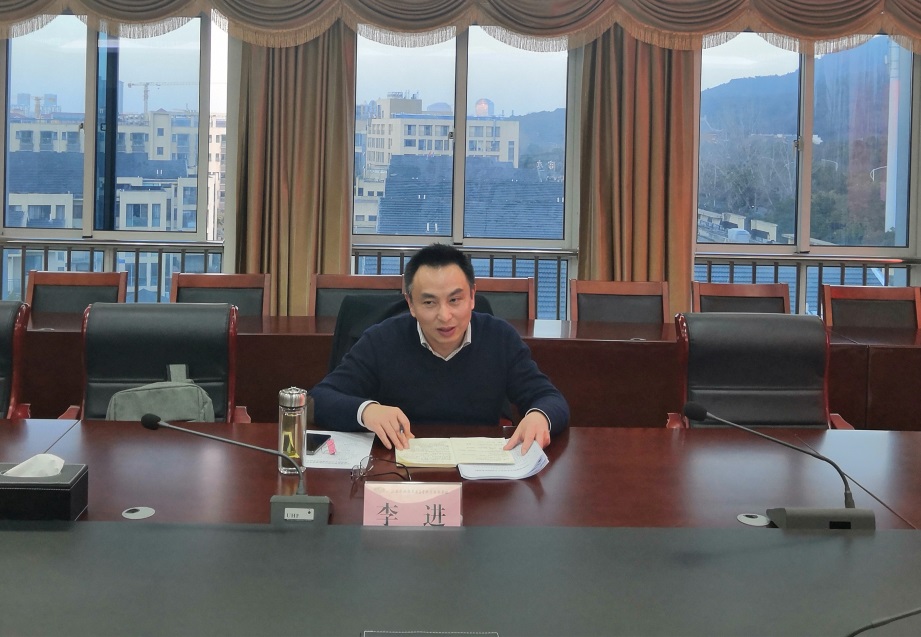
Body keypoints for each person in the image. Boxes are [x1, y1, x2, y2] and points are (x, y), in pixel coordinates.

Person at [310, 243, 569, 453]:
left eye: (455, 300)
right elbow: (320, 398)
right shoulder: (382, 339)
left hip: (480, 472)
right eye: (429, 303)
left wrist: (539, 416)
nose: (445, 316)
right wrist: (367, 410)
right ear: (411, 304)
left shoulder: (500, 338)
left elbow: (550, 399)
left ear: (472, 297)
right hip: (400, 470)